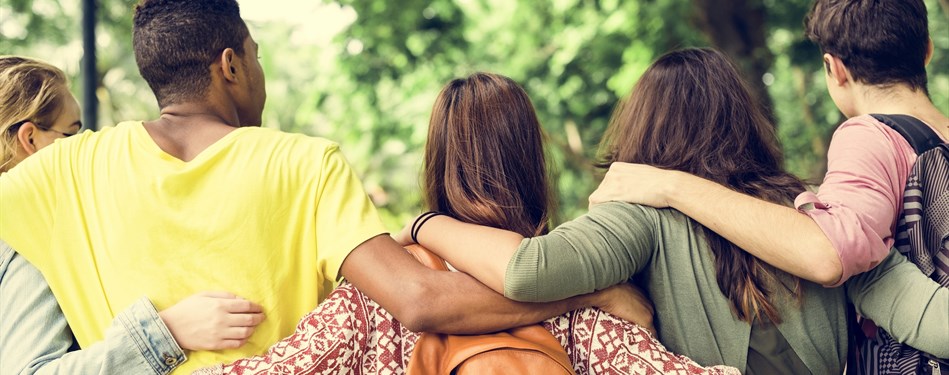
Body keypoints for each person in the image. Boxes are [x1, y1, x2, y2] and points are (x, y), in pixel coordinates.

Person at [0, 2, 648, 373]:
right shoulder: (302, 162)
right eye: (254, 55)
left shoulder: (59, 172)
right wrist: (589, 292)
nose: (259, 72)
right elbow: (418, 298)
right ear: (230, 64)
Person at [401, 48, 948, 374]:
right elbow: (933, 322)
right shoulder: (814, 215)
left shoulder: (639, 215)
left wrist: (425, 223)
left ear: (644, 124)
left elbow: (527, 270)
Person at [195, 72, 739, 375]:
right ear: (532, 164)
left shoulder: (372, 299)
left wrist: (160, 335)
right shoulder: (586, 295)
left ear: (437, 164)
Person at [587, 0, 948, 370]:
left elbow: (829, 253)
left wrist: (671, 186)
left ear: (834, 68)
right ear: (927, 50)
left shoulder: (869, 134)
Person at [0, 55, 269, 374]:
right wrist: (167, 332)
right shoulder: (27, 241)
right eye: (70, 135)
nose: (82, 147)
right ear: (29, 138)